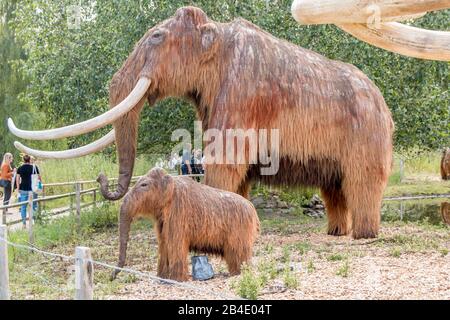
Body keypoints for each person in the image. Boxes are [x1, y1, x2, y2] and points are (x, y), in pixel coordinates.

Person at [16, 155, 42, 229]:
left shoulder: (20, 168)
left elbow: (17, 179)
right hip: (33, 189)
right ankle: (35, 222)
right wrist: (40, 185)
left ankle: (24, 224)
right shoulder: (34, 167)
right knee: (34, 206)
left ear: (23, 160)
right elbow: (39, 178)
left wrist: (18, 188)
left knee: (23, 207)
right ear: (29, 160)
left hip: (23, 189)